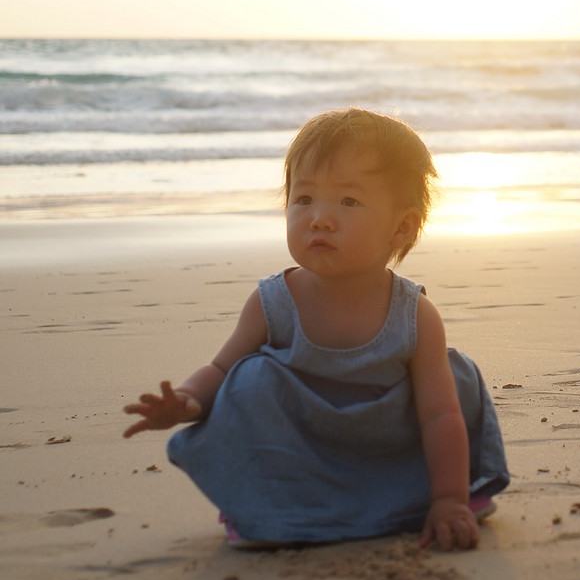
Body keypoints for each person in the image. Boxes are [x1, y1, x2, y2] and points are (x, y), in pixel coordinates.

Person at [122, 108, 509, 551]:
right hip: (301, 451)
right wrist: (187, 401)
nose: (319, 218)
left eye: (348, 201)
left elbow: (439, 416)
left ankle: (431, 494)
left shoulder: (414, 314)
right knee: (248, 379)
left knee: (456, 376)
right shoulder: (274, 303)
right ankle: (270, 505)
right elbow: (220, 368)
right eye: (303, 199)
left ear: (401, 226)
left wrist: (449, 500)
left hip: (384, 450)